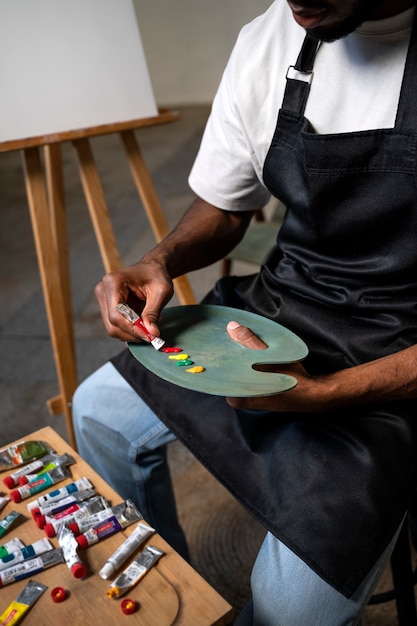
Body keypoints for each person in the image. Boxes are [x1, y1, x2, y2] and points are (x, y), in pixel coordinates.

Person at [72, 0, 417, 623]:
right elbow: (227, 209)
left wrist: (330, 393)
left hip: (398, 355)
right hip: (283, 308)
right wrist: (161, 260)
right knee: (100, 413)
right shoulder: (271, 38)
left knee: (290, 609)